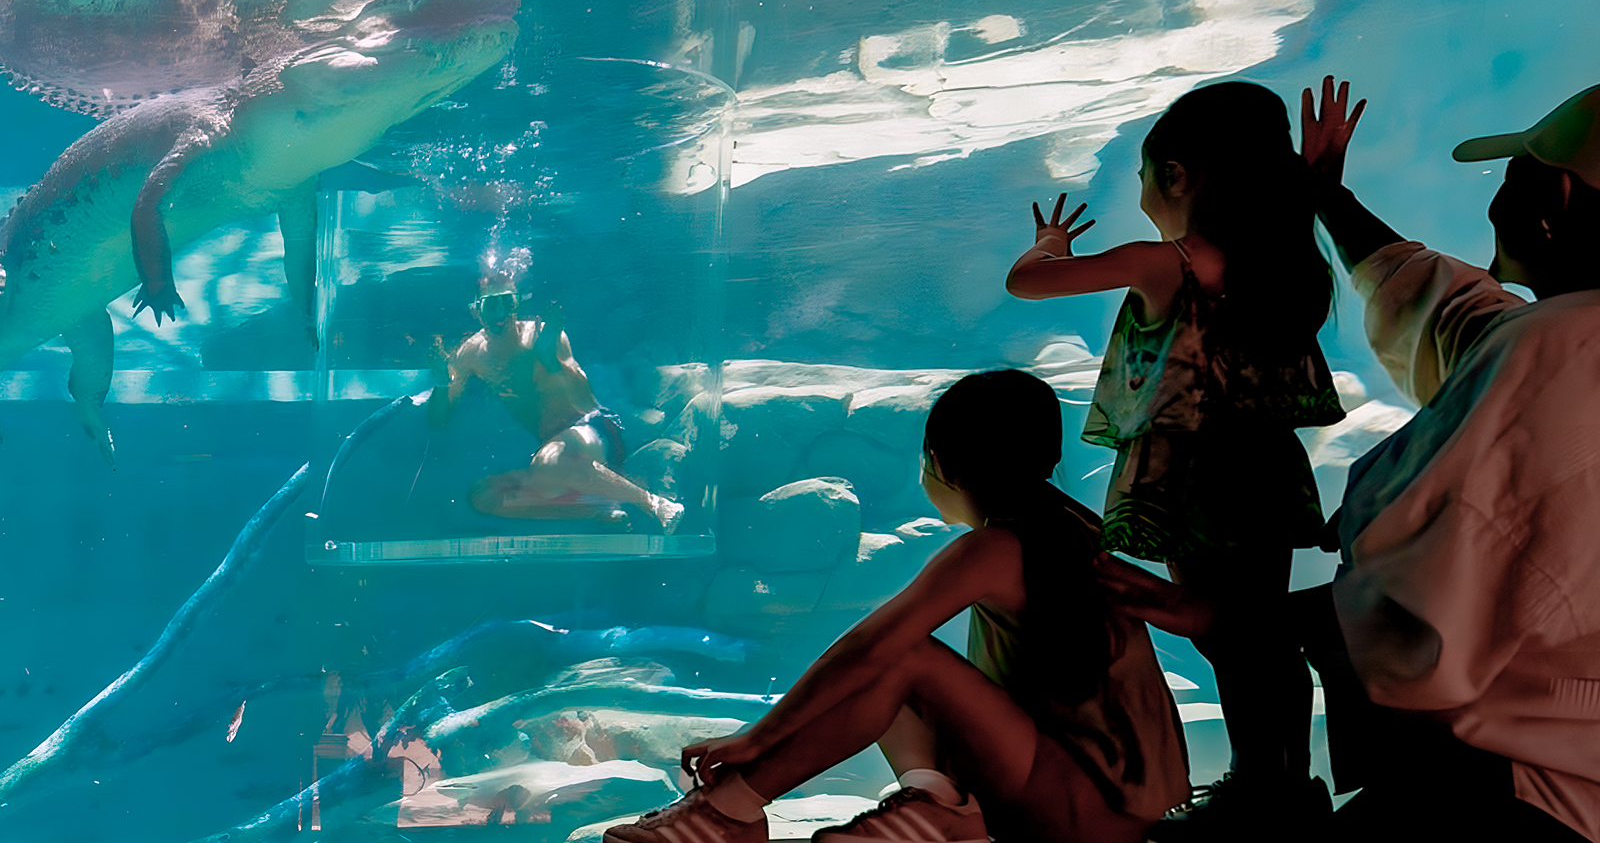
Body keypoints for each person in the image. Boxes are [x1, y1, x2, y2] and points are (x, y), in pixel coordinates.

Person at [602, 370, 1191, 843]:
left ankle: (727, 813)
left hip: (1085, 814)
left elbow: (873, 646)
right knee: (898, 670)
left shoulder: (995, 548)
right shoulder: (1066, 526)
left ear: (941, 463)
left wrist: (757, 738)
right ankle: (939, 804)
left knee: (903, 655)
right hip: (1098, 801)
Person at [1005, 81, 1346, 834]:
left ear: (1178, 176)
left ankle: (1258, 796)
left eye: (1142, 173)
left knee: (1227, 636)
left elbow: (1026, 284)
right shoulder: (1285, 264)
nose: (1139, 189)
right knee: (1261, 632)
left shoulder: (1165, 264)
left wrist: (1050, 247)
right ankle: (1284, 783)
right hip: (1264, 471)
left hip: (1191, 479)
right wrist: (1318, 185)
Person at [1295, 75, 1600, 842]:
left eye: (1510, 178)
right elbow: (1445, 311)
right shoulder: (1546, 343)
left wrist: (1243, 618)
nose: (1494, 204)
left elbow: (1423, 602)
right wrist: (1326, 196)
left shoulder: (1559, 350)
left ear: (1556, 199)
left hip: (1527, 795)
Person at [429, 282, 684, 534]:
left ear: (517, 303)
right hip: (552, 452)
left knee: (549, 463)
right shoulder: (471, 354)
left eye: (507, 302)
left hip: (593, 430)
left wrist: (550, 360)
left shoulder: (542, 336)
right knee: (483, 495)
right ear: (476, 310)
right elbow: (438, 418)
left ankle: (655, 504)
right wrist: (441, 382)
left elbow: (582, 396)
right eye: (490, 305)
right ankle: (594, 509)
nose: (500, 313)